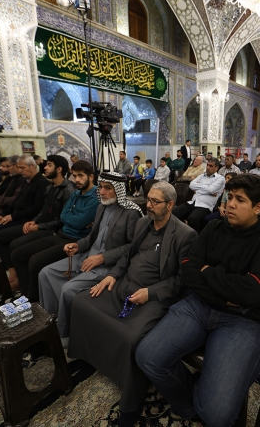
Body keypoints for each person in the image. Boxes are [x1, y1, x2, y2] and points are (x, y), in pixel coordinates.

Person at [136, 175, 260, 426]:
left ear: (257, 208)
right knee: (147, 357)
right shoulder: (214, 227)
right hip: (198, 305)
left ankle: (206, 400)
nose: (231, 204)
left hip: (243, 320)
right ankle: (190, 405)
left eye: (240, 200)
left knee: (217, 415)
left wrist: (207, 271)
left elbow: (254, 292)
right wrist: (226, 292)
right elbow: (188, 269)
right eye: (230, 197)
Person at [67, 182, 197, 426]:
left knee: (131, 338)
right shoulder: (143, 223)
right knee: (82, 302)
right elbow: (128, 255)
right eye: (148, 200)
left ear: (170, 205)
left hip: (153, 296)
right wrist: (112, 275)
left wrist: (151, 292)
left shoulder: (185, 235)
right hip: (125, 284)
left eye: (155, 202)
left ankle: (132, 401)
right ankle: (91, 358)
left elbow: (183, 280)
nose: (149, 205)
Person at [39, 172, 142, 339]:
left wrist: (102, 257)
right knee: (45, 273)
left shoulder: (131, 213)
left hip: (107, 264)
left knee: (68, 289)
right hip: (87, 256)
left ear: (119, 190)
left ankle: (64, 334)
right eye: (100, 187)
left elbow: (132, 247)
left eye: (108, 188)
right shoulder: (101, 207)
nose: (102, 192)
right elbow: (92, 237)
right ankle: (50, 319)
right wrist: (78, 245)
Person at [10, 160, 101, 301]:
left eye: (81, 176)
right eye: (74, 176)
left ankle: (32, 300)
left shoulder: (95, 197)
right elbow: (63, 216)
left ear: (91, 177)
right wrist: (74, 217)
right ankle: (25, 292)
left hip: (75, 241)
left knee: (35, 261)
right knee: (18, 254)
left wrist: (72, 217)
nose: (77, 179)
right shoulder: (76, 193)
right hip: (61, 234)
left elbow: (79, 223)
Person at [0, 155, 74, 291]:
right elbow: (43, 210)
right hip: (42, 224)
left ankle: (27, 290)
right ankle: (19, 279)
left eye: (49, 165)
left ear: (59, 169)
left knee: (17, 247)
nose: (45, 167)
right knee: (5, 238)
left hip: (52, 229)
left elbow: (62, 220)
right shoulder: (50, 187)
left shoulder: (68, 189)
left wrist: (38, 226)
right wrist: (34, 221)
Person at [0, 155, 50, 252]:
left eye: (23, 168)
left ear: (32, 166)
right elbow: (16, 200)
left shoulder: (42, 183)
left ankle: (5, 256)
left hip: (28, 219)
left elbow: (37, 208)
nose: (20, 171)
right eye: (19, 168)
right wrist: (3, 215)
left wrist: (12, 216)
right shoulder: (26, 181)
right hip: (18, 215)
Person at [173, 158, 225, 231]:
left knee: (193, 219)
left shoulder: (220, 179)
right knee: (174, 213)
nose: (208, 167)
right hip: (193, 203)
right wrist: (207, 189)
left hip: (205, 206)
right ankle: (181, 232)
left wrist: (198, 189)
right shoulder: (201, 176)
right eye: (207, 165)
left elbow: (211, 189)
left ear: (216, 168)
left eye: (211, 166)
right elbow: (191, 185)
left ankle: (194, 237)